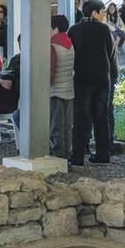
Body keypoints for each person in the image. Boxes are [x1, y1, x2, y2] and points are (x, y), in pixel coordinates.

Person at [68, 0, 118, 166]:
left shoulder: (74, 30)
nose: (104, 15)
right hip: (102, 78)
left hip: (82, 77)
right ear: (94, 13)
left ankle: (77, 155)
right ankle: (103, 153)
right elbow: (111, 53)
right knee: (101, 116)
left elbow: (70, 54)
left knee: (81, 117)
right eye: (102, 12)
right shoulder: (104, 29)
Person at [50, 14, 75, 159]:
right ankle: (67, 155)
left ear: (55, 29)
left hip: (55, 91)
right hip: (68, 89)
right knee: (67, 127)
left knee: (56, 127)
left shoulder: (52, 45)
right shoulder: (70, 44)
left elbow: (50, 72)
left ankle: (59, 158)